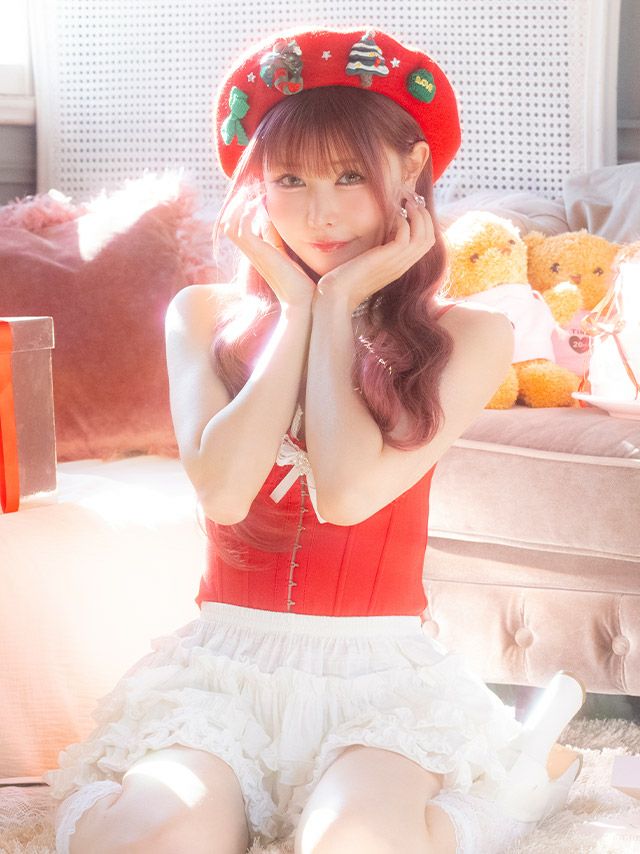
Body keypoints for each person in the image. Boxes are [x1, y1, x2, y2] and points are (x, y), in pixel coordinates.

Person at [43, 25, 584, 854]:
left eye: (349, 176)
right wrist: (297, 308)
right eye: (289, 178)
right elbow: (224, 490)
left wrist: (337, 304)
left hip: (379, 682)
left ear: (410, 171)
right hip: (220, 676)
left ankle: (518, 783)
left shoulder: (471, 335)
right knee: (157, 840)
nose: (319, 211)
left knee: (351, 841)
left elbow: (346, 493)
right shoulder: (201, 316)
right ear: (254, 188)